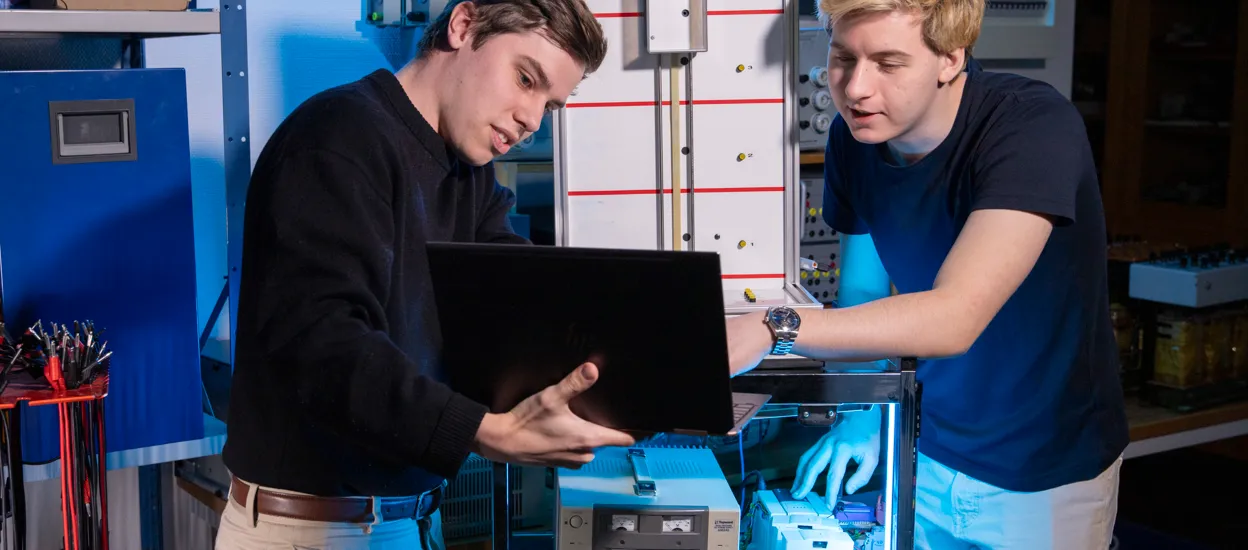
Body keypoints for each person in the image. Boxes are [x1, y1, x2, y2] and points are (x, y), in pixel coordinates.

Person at [216, 1, 636, 548]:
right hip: (315, 530)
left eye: (549, 105)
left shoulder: (467, 178)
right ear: (464, 26)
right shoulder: (337, 138)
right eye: (525, 79)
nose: (532, 119)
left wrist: (667, 348)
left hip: (407, 522)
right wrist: (483, 433)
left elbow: (525, 299)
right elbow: (322, 342)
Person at [726, 0, 1128, 547]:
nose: (856, 88)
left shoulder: (1031, 126)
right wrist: (866, 413)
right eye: (843, 58)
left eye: (889, 64)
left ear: (950, 58)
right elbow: (863, 290)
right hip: (923, 452)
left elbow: (953, 317)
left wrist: (773, 326)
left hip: (1043, 481)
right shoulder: (855, 138)